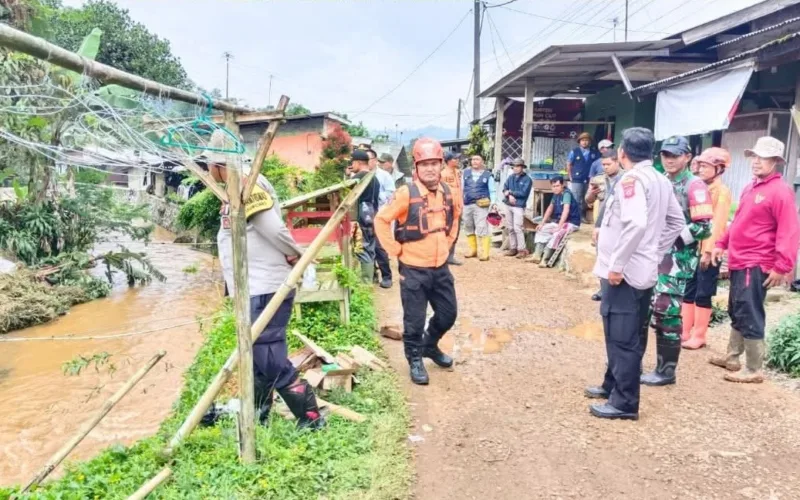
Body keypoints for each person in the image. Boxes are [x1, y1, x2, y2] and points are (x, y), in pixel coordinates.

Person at [202, 146, 324, 429]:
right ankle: (259, 415)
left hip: (265, 286)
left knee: (269, 357)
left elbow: (273, 229)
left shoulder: (248, 184)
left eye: (208, 164)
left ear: (217, 163)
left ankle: (310, 418)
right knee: (258, 357)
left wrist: (297, 254)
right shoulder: (236, 186)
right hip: (253, 287)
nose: (207, 171)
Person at [586, 127, 686, 421]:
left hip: (625, 273)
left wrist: (617, 265)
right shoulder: (659, 179)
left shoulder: (632, 180)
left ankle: (624, 402)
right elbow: (676, 221)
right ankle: (612, 384)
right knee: (630, 334)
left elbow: (635, 223)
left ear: (622, 153)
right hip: (643, 269)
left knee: (621, 337)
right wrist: (655, 252)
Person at [711, 137, 800, 383]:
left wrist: (782, 266)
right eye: (755, 156)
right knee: (737, 307)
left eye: (764, 158)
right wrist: (721, 243)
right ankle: (732, 357)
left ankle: (753, 368)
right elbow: (739, 220)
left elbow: (789, 231)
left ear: (775, 162)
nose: (757, 162)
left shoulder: (780, 192)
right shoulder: (751, 187)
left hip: (757, 261)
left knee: (750, 310)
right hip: (740, 259)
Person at [375, 138, 460, 385]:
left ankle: (429, 345)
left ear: (441, 165)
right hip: (413, 269)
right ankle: (415, 358)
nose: (431, 169)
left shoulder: (446, 191)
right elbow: (381, 220)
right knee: (414, 320)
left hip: (440, 268)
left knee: (448, 314)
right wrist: (395, 250)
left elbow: (455, 218)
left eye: (435, 163)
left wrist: (449, 243)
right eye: (425, 164)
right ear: (416, 168)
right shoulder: (405, 194)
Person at [640, 136, 712, 387]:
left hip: (678, 259)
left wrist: (673, 240)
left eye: (675, 155)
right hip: (657, 255)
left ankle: (666, 371)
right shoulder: (664, 181)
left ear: (687, 157)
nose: (669, 160)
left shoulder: (695, 186)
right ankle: (643, 364)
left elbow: (704, 227)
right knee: (649, 308)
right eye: (665, 155)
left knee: (667, 310)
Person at [681, 147, 733, 350]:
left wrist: (709, 251)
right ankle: (685, 330)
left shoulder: (721, 192)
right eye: (700, 165)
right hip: (694, 249)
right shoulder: (699, 187)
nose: (701, 169)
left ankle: (699, 334)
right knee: (689, 289)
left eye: (706, 166)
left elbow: (718, 223)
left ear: (719, 169)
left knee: (703, 292)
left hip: (709, 252)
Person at [585, 149, 624, 301]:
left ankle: (618, 288)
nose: (605, 167)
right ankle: (603, 289)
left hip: (618, 223)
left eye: (608, 164)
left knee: (618, 256)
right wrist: (592, 193)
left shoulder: (626, 178)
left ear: (617, 162)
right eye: (603, 165)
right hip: (601, 223)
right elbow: (587, 200)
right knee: (602, 257)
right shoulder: (598, 179)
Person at [530, 175, 580, 267]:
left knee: (557, 234)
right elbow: (550, 208)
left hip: (571, 222)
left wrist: (559, 227)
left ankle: (545, 260)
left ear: (562, 185)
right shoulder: (555, 195)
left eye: (557, 186)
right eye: (553, 186)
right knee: (542, 229)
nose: (555, 188)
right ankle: (536, 256)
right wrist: (542, 223)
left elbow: (566, 210)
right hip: (559, 221)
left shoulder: (566, 194)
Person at [365, 149, 396, 288]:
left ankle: (387, 276)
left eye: (368, 159)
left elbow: (391, 196)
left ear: (375, 160)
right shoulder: (360, 176)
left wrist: (376, 195)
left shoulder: (384, 176)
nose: (366, 163)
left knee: (379, 247)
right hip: (364, 216)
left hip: (380, 215)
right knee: (366, 246)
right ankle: (371, 275)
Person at [350, 150, 381, 284]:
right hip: (372, 214)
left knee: (362, 248)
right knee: (370, 246)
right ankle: (372, 276)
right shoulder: (374, 178)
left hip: (361, 216)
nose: (351, 165)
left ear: (357, 162)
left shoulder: (357, 179)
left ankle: (365, 282)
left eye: (352, 162)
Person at [462, 154, 494, 261]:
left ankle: (485, 253)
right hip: (467, 204)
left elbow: (492, 191)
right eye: (473, 160)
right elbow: (462, 188)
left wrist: (493, 203)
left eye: (477, 159)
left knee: (482, 227)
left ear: (482, 162)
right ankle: (473, 250)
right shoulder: (465, 173)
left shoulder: (488, 175)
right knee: (468, 226)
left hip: (481, 205)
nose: (475, 161)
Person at [502, 158, 533, 257]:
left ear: (522, 167)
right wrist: (509, 195)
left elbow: (524, 193)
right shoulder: (510, 177)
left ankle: (522, 249)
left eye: (518, 166)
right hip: (508, 204)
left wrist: (511, 193)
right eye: (514, 166)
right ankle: (513, 248)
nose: (516, 168)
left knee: (518, 227)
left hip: (519, 205)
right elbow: (504, 188)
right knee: (510, 228)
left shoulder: (527, 179)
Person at [567, 132, 600, 224]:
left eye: (586, 140)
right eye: (583, 140)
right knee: (576, 198)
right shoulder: (574, 151)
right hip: (577, 178)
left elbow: (598, 165)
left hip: (589, 179)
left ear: (589, 142)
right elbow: (569, 164)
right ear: (579, 142)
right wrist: (570, 176)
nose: (585, 142)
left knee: (586, 198)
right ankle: (576, 216)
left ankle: (583, 216)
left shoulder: (594, 152)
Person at [442, 151, 464, 265]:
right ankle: (443, 256)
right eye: (455, 159)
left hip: (458, 206)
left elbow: (459, 190)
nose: (457, 161)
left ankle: (450, 256)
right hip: (447, 207)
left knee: (456, 231)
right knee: (446, 231)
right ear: (449, 161)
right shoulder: (443, 174)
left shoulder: (457, 172)